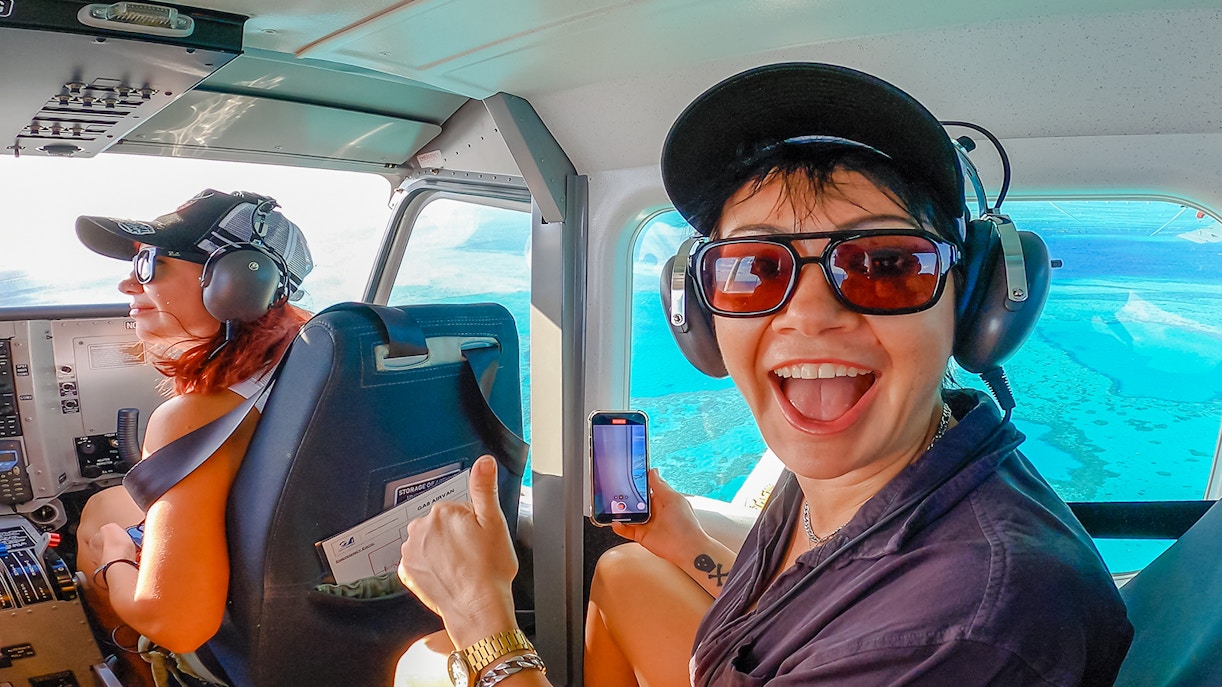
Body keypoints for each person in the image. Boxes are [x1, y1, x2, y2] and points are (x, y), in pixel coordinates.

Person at [396, 63, 1133, 686]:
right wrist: (683, 539)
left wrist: (482, 622)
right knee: (624, 572)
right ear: (698, 310)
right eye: (754, 268)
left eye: (883, 264)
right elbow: (801, 612)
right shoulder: (873, 461)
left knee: (420, 668)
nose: (808, 316)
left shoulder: (956, 634)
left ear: (971, 302)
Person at [73, 189, 313, 686]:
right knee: (110, 502)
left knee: (101, 524)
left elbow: (176, 622)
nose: (126, 283)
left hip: (250, 633)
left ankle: (145, 676)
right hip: (320, 583)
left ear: (236, 282)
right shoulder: (319, 358)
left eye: (148, 265)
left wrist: (115, 554)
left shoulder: (190, 418)